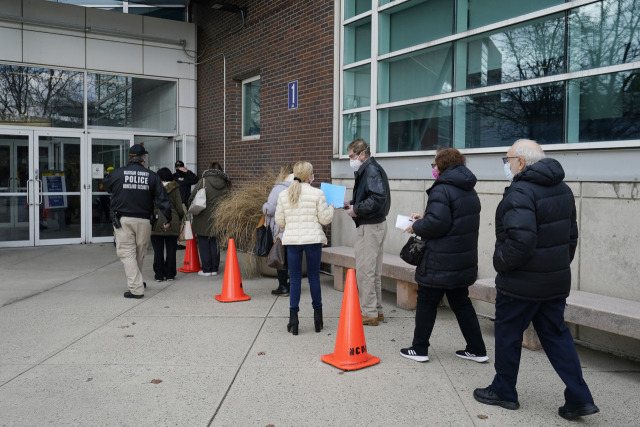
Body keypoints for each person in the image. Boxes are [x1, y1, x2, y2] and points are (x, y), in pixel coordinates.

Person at [473, 139, 599, 420]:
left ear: (521, 162)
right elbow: (571, 238)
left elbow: (522, 240)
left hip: (520, 283)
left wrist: (500, 264)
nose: (505, 166)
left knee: (507, 333)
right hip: (554, 282)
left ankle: (504, 391)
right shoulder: (563, 189)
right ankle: (580, 398)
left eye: (507, 160)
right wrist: (554, 268)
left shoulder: (520, 191)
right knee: (556, 336)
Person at [400, 148, 488, 363]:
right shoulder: (468, 189)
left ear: (442, 165)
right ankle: (477, 349)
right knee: (461, 303)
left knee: (427, 301)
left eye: (434, 164)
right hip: (461, 260)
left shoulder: (442, 189)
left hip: (440, 260)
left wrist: (417, 225)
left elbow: (437, 224)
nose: (433, 168)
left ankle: (419, 348)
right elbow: (453, 220)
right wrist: (427, 216)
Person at [102, 144, 171, 299]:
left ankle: (136, 289)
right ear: (143, 159)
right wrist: (167, 218)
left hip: (123, 220)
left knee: (127, 253)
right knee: (139, 253)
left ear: (129, 158)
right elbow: (162, 199)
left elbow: (107, 186)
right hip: (145, 221)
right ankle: (137, 281)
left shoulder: (116, 173)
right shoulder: (152, 176)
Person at [275, 161, 334, 335]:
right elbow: (325, 219)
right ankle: (318, 319)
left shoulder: (284, 194)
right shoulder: (318, 193)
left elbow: (280, 221)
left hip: (293, 241)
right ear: (310, 176)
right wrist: (331, 208)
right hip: (313, 240)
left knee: (294, 280)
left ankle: (293, 320)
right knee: (314, 278)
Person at [344, 138, 390, 326]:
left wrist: (357, 209)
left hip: (369, 226)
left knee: (364, 271)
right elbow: (375, 196)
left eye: (352, 156)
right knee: (373, 271)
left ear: (363, 154)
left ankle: (369, 312)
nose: (350, 160)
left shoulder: (369, 170)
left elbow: (377, 198)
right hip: (377, 224)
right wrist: (353, 204)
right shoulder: (373, 168)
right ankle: (376, 310)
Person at [188, 161, 231, 276]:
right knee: (215, 242)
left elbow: (191, 197)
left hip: (203, 217)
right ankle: (214, 268)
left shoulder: (203, 181)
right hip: (219, 217)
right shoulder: (226, 184)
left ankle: (206, 269)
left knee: (203, 242)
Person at [262, 163, 294, 296]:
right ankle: (293, 286)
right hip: (295, 228)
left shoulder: (279, 188)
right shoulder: (300, 187)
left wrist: (264, 207)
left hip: (281, 229)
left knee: (280, 257)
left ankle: (283, 287)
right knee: (293, 258)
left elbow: (270, 209)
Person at [150, 167, 185, 282]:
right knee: (171, 250)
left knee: (158, 251)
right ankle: (170, 274)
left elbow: (149, 205)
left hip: (156, 220)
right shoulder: (175, 188)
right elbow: (179, 207)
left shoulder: (153, 187)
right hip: (172, 219)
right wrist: (179, 219)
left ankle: (159, 275)